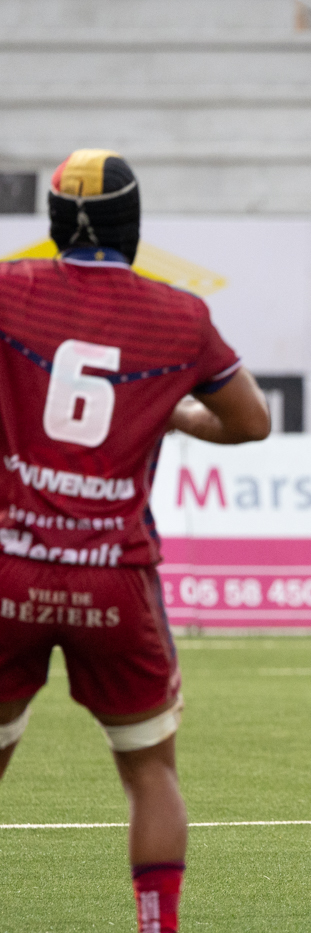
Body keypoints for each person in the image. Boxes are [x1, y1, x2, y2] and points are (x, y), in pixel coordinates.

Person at [0, 150, 270, 933]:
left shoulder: (10, 290)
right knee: (150, 770)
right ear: (133, 226)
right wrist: (176, 413)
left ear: (53, 226)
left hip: (12, 568)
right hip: (113, 578)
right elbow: (250, 422)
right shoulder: (179, 316)